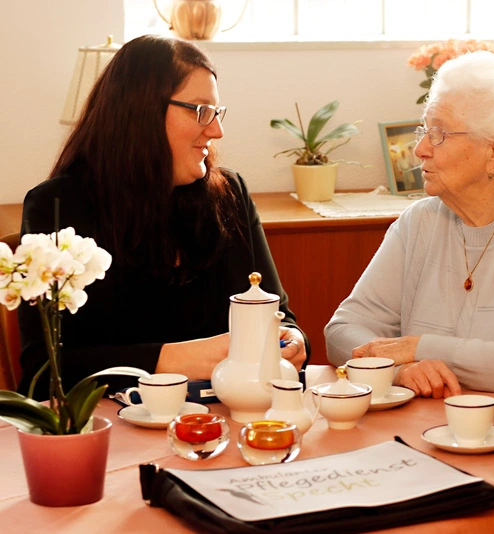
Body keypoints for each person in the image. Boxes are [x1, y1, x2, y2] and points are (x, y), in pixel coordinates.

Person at [18, 35, 308, 400]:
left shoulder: (229, 195)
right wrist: (176, 359)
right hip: (111, 426)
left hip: (222, 419)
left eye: (216, 112)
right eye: (200, 111)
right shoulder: (57, 206)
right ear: (140, 112)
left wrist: (293, 341)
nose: (216, 130)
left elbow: (280, 317)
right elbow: (44, 371)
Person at [325, 51, 494, 398]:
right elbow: (342, 331)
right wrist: (399, 370)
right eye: (424, 130)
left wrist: (419, 347)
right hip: (421, 423)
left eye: (439, 134)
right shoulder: (418, 222)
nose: (420, 149)